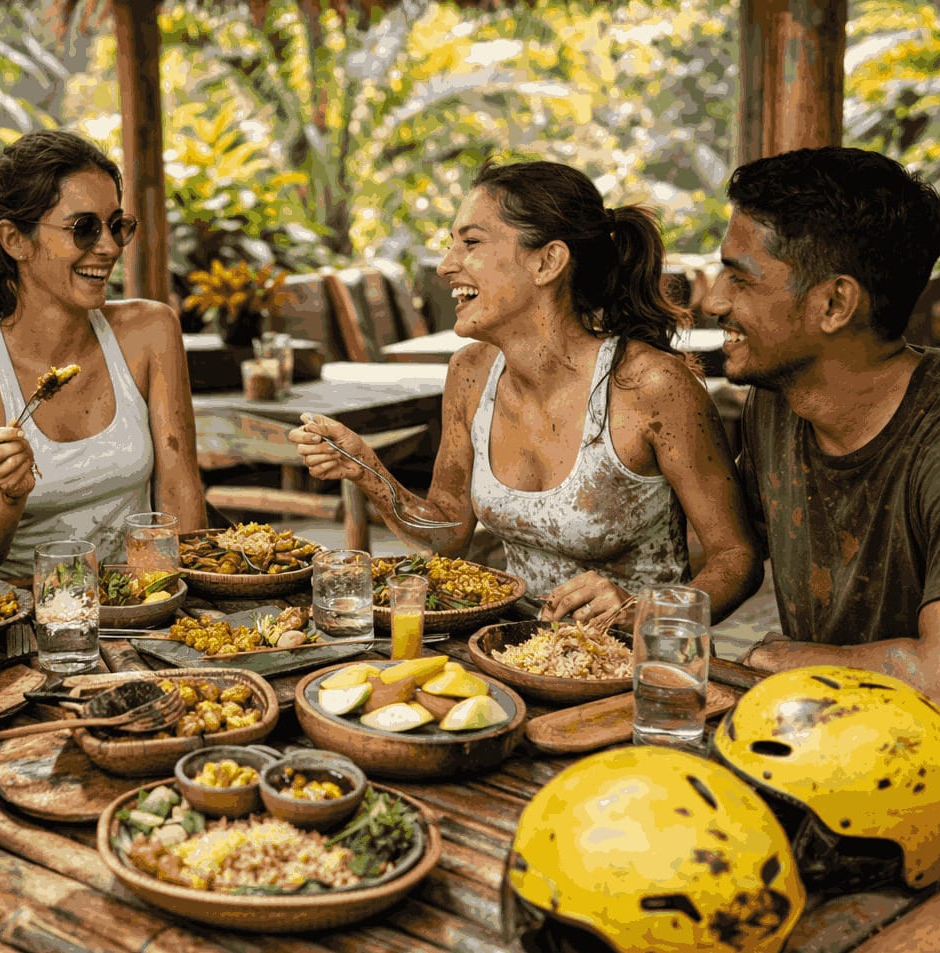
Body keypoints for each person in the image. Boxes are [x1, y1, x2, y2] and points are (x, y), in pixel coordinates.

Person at [291, 160, 761, 626]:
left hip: (639, 669)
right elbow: (449, 532)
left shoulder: (651, 386)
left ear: (547, 262)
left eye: (471, 243)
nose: (447, 265)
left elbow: (735, 559)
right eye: (451, 244)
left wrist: (644, 613)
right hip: (513, 652)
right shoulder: (471, 373)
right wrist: (367, 469)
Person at [703, 146, 940, 756]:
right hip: (840, 744)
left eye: (740, 277)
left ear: (834, 304)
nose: (715, 301)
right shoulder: (780, 402)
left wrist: (789, 659)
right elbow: (736, 544)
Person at [0, 129, 205, 579]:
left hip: (136, 602)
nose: (110, 247)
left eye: (117, 225)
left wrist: (172, 603)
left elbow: (180, 495)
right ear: (15, 240)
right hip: (19, 617)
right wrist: (6, 497)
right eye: (84, 228)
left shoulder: (151, 330)